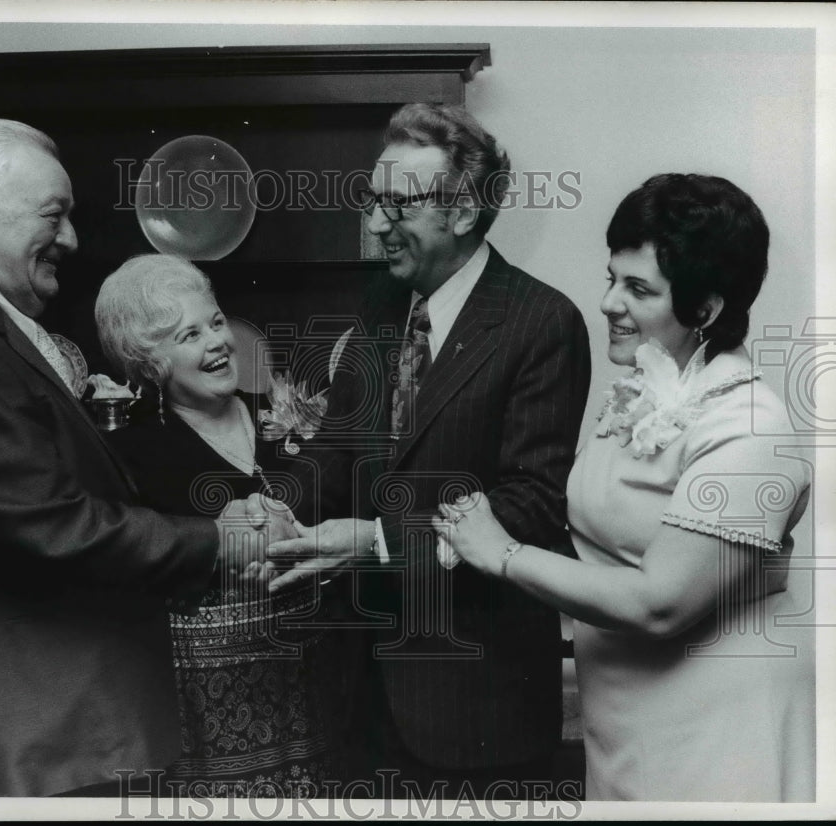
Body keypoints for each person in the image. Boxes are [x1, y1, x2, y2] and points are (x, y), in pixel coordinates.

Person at [0, 118, 286, 797]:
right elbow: (50, 525)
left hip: (48, 737)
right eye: (55, 215)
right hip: (17, 746)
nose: (72, 240)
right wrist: (220, 541)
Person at [435, 173, 814, 801]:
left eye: (638, 288)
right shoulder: (640, 393)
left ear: (705, 309)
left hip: (718, 728)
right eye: (612, 277)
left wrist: (502, 553)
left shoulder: (750, 427)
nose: (610, 301)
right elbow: (599, 539)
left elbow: (656, 603)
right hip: (625, 724)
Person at [269, 103, 592, 799]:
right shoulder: (384, 303)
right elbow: (337, 445)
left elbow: (529, 506)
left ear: (466, 211)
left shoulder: (543, 323)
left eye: (399, 204)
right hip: (361, 691)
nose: (377, 223)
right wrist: (271, 506)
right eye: (373, 200)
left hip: (478, 701)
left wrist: (376, 540)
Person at [94, 253, 340, 797]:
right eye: (189, 335)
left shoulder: (287, 414)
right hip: (204, 716)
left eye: (217, 321)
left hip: (318, 691)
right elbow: (127, 570)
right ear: (148, 362)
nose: (217, 342)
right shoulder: (127, 454)